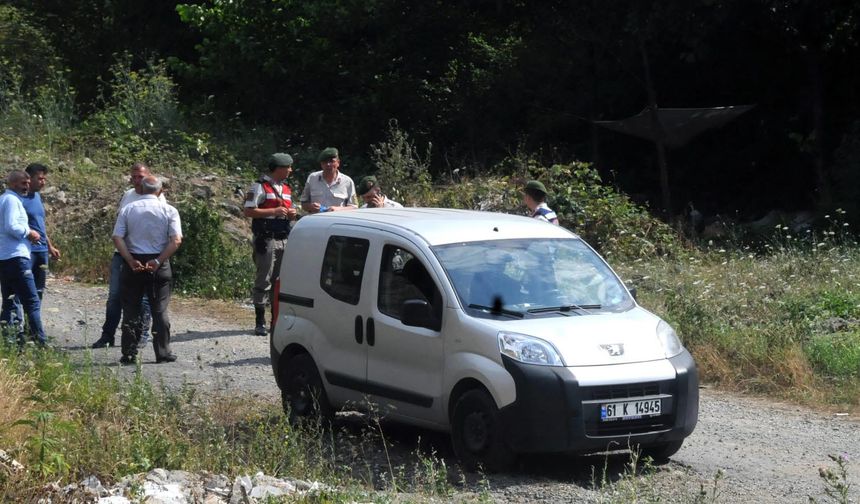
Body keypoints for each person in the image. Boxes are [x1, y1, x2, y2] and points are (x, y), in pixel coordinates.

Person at [92, 163, 164, 349]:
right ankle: (107, 335)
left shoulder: (159, 199)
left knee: (145, 298)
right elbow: (119, 228)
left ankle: (141, 334)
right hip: (123, 253)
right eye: (134, 177)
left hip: (147, 254)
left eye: (140, 177)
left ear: (149, 177)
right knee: (115, 296)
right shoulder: (128, 195)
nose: (137, 180)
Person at [112, 175, 182, 364]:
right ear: (160, 191)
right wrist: (158, 260)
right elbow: (176, 240)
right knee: (159, 310)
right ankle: (163, 352)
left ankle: (128, 352)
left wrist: (129, 259)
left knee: (131, 309)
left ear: (141, 189)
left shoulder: (127, 209)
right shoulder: (169, 210)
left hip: (133, 261)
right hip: (158, 263)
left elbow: (117, 237)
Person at [243, 153, 298, 335]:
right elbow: (248, 211)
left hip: (284, 238)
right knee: (263, 279)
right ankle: (260, 322)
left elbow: (289, 212)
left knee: (279, 281)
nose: (290, 170)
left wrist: (291, 214)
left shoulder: (287, 189)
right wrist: (273, 210)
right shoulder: (259, 186)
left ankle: (275, 320)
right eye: (288, 167)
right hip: (266, 239)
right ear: (278, 168)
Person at [9, 164, 61, 328]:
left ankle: (33, 329)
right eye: (40, 178)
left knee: (37, 293)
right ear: (29, 179)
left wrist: (49, 246)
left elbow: (40, 226)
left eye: (45, 178)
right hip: (26, 252)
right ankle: (15, 331)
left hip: (41, 251)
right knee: (19, 292)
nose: (43, 182)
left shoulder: (37, 197)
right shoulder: (17, 200)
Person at [0, 170, 47, 346]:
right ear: (13, 184)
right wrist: (29, 233)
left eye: (27, 183)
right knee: (32, 301)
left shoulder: (4, 199)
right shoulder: (12, 200)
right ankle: (40, 342)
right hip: (17, 258)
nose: (27, 186)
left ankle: (8, 342)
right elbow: (12, 225)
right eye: (23, 183)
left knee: (10, 300)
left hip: (5, 257)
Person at [300, 147, 357, 213]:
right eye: (325, 162)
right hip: (316, 221)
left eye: (332, 161)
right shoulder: (312, 178)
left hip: (337, 221)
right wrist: (311, 207)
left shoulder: (347, 181)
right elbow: (303, 203)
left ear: (338, 163)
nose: (328, 164)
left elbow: (354, 207)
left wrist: (337, 209)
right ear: (321, 164)